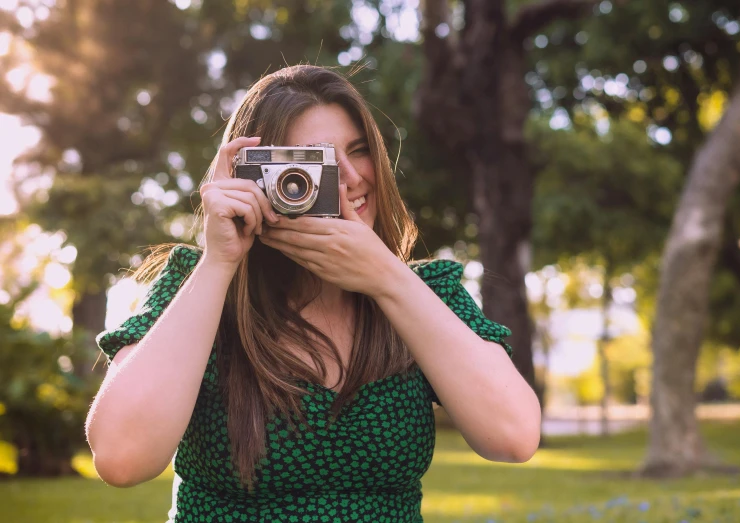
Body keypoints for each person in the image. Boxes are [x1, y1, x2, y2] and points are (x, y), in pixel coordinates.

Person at [85, 64, 541, 523]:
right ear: (251, 174)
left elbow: (514, 436)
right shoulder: (197, 287)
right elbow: (122, 459)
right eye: (312, 158)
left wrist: (387, 277)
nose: (347, 177)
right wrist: (219, 262)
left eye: (358, 151)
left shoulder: (422, 293)